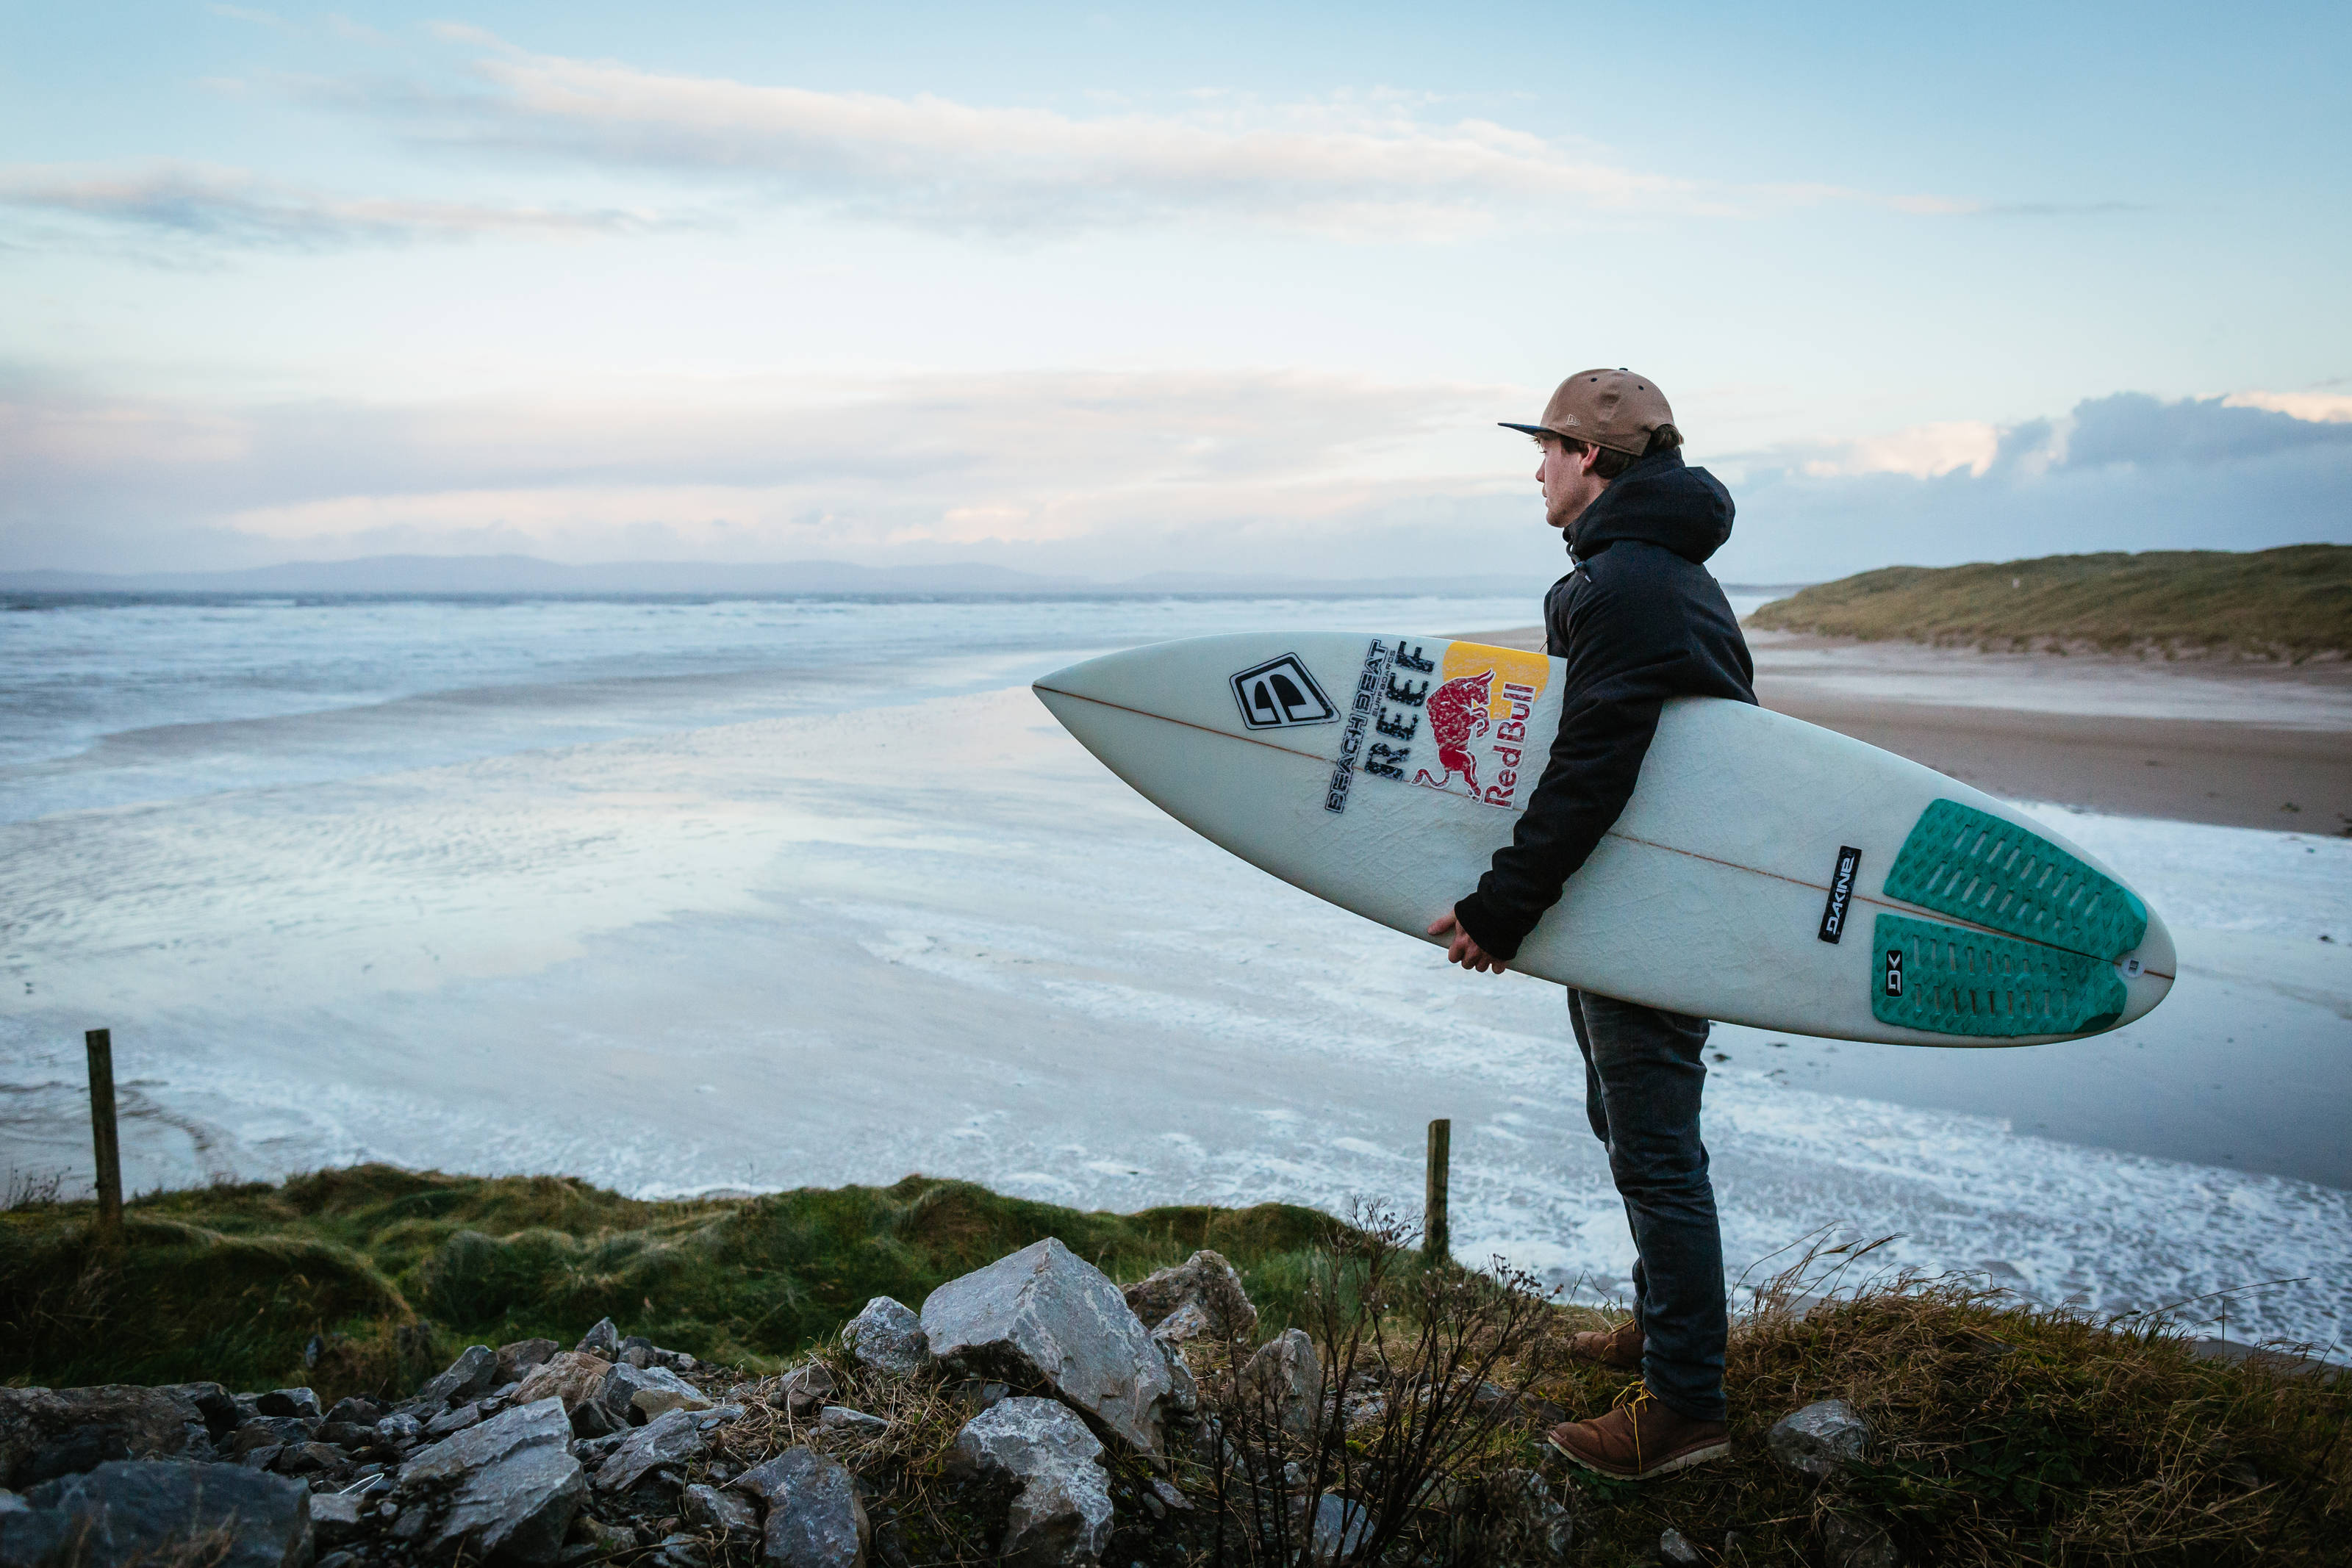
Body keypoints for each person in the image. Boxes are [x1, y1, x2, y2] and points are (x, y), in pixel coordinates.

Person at [1424, 367, 1754, 1481]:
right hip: (1633, 898)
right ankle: (1663, 1331)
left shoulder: (1630, 588)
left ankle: (1686, 1408)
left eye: (1551, 449)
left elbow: (1595, 765)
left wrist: (1499, 909)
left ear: (1596, 462)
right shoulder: (1645, 576)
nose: (1537, 468)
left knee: (1658, 1150)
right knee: (1620, 1117)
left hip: (1657, 906)